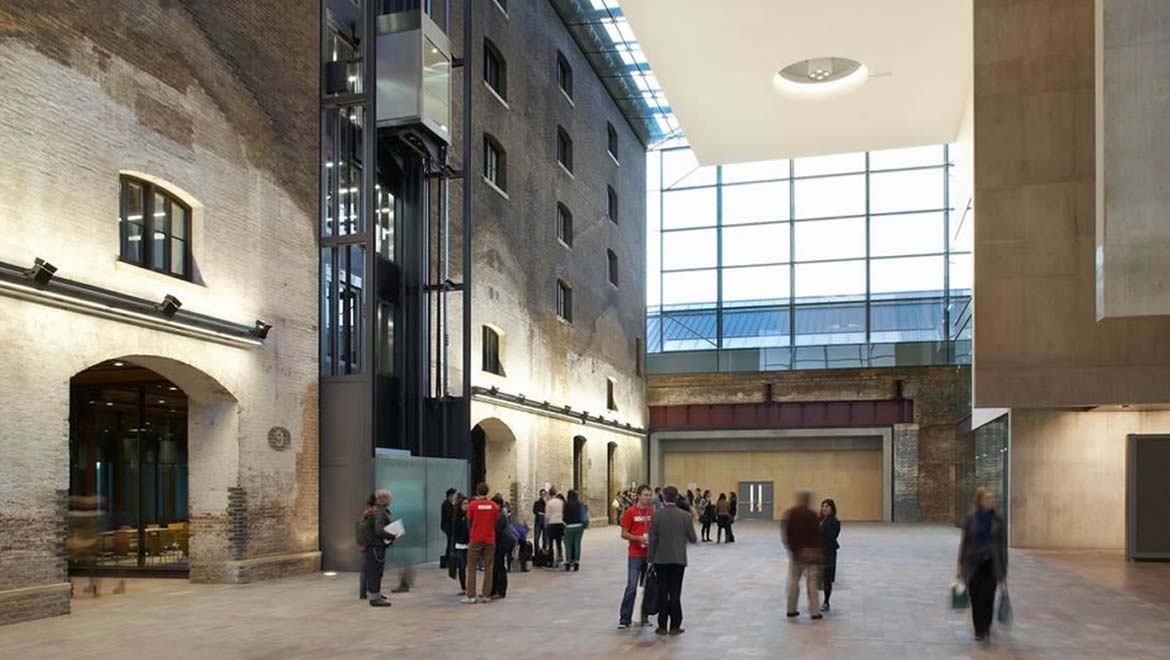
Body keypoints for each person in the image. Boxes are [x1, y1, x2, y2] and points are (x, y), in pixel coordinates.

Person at [957, 487, 1007, 642]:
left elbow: (1002, 547)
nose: (991, 500)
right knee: (976, 597)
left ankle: (986, 628)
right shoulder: (970, 519)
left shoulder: (998, 520)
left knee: (988, 597)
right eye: (987, 498)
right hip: (973, 564)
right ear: (979, 500)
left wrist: (1004, 569)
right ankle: (978, 629)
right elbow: (964, 543)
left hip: (991, 564)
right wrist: (960, 562)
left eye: (992, 498)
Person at [648, 485, 697, 636]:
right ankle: (675, 625)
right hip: (678, 559)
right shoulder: (685, 516)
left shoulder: (656, 515)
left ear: (663, 497)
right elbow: (693, 538)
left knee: (663, 591)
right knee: (675, 592)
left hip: (660, 560)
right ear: (676, 497)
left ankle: (662, 626)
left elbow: (652, 539)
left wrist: (651, 559)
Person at [618, 484, 654, 629]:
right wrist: (638, 538)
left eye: (649, 495)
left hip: (649, 554)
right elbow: (623, 533)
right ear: (638, 496)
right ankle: (624, 618)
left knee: (646, 586)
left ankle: (644, 616)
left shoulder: (652, 511)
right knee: (632, 586)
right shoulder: (630, 512)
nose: (647, 498)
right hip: (635, 554)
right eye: (645, 495)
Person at [782, 489, 822, 620]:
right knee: (812, 583)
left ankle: (791, 609)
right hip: (810, 553)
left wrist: (791, 549)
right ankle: (814, 611)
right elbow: (817, 535)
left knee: (793, 582)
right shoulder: (812, 514)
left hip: (796, 553)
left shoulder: (791, 514)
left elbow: (786, 533)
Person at [464, 482, 499, 604]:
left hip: (475, 538)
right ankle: (486, 595)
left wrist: (472, 534)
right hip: (489, 538)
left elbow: (469, 522)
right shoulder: (494, 506)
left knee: (472, 567)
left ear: (477, 492)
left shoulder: (472, 505)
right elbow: (496, 522)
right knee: (489, 567)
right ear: (487, 492)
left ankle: (471, 596)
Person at [361, 489, 397, 607]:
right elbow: (379, 530)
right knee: (375, 572)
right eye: (389, 498)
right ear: (384, 499)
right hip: (376, 546)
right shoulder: (380, 512)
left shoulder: (373, 510)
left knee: (373, 571)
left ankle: (375, 594)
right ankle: (375, 598)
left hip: (372, 546)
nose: (390, 501)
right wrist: (392, 536)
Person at [819, 498, 840, 611]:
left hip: (828, 552)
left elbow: (832, 537)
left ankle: (826, 602)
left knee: (827, 579)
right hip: (820, 552)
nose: (824, 509)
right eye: (823, 506)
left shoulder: (833, 521)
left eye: (827, 506)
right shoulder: (821, 519)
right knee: (820, 578)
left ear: (832, 508)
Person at [491, 494, 514, 599]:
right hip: (502, 541)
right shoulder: (501, 513)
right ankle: (495, 589)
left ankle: (501, 590)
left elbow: (497, 530)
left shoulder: (500, 515)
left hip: (503, 542)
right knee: (497, 566)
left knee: (499, 566)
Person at [563, 489, 586, 572]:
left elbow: (564, 517)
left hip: (569, 527)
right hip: (579, 526)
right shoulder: (580, 504)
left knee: (568, 545)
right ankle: (576, 562)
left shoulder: (566, 505)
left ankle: (568, 562)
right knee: (577, 544)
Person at [452, 494, 470, 595]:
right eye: (464, 504)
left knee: (470, 567)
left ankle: (470, 586)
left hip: (469, 544)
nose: (466, 506)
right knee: (462, 567)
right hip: (459, 545)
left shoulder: (470, 515)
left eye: (467, 504)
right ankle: (463, 587)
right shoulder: (456, 516)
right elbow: (454, 532)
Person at [545, 487, 566, 566]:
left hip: (552, 523)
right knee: (558, 542)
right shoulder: (560, 502)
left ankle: (550, 560)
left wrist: (546, 524)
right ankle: (559, 557)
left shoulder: (549, 503)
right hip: (560, 523)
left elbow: (547, 516)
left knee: (550, 543)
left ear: (550, 494)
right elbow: (563, 512)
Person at [441, 487, 457, 566]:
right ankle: (447, 559)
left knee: (450, 542)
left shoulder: (449, 503)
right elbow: (449, 515)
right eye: (454, 495)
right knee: (450, 542)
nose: (455, 497)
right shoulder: (447, 503)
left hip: (449, 526)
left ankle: (449, 558)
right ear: (450, 495)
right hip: (448, 526)